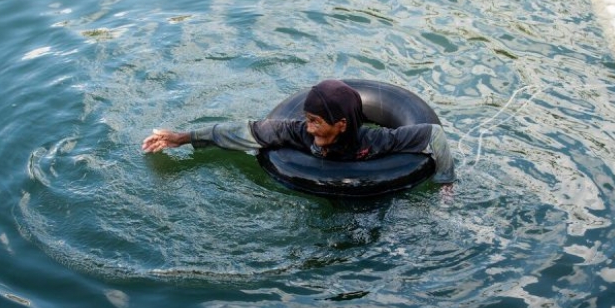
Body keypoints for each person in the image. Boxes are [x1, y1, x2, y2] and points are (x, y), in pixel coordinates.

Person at [142, 79, 455, 184]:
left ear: (341, 124)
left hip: (371, 191)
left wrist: (445, 182)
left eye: (317, 121)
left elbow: (433, 136)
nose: (309, 127)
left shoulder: (374, 140)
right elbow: (243, 131)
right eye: (307, 118)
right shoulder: (298, 133)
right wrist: (182, 138)